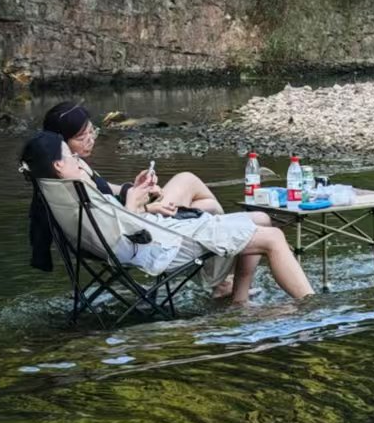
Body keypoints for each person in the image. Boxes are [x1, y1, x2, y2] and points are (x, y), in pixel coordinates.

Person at [20, 126, 315, 302]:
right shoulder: (75, 188)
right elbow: (118, 229)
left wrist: (133, 197)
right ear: (58, 165)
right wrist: (136, 201)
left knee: (260, 219)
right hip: (156, 245)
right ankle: (312, 309)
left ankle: (237, 302)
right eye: (67, 153)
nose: (74, 157)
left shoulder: (56, 190)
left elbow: (110, 225)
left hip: (142, 239)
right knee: (273, 236)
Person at [40, 101, 222, 216]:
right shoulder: (73, 178)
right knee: (189, 182)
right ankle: (222, 275)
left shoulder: (69, 166)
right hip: (137, 228)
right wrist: (148, 208)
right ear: (60, 141)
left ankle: (221, 276)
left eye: (91, 132)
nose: (91, 140)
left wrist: (137, 188)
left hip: (129, 219)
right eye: (81, 137)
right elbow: (111, 219)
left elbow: (108, 192)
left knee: (208, 205)